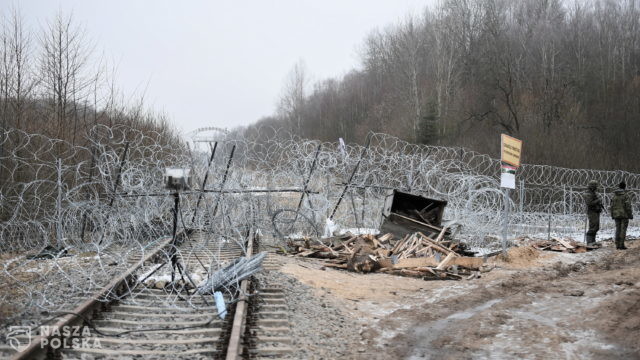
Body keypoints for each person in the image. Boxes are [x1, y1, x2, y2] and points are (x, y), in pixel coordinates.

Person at [610, 181, 633, 250]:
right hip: (624, 215)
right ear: (624, 187)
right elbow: (628, 206)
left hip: (616, 215)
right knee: (623, 230)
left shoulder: (614, 196)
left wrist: (612, 215)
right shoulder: (625, 196)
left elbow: (611, 206)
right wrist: (630, 215)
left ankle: (617, 244)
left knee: (618, 229)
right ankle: (621, 245)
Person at [584, 180, 603, 245]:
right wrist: (598, 200)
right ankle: (589, 242)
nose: (596, 187)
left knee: (596, 227)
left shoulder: (594, 193)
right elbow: (589, 203)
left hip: (596, 211)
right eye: (595, 186)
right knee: (593, 227)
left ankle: (593, 241)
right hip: (592, 212)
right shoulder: (588, 194)